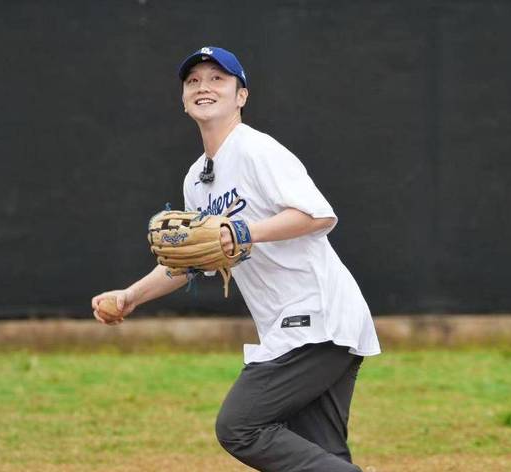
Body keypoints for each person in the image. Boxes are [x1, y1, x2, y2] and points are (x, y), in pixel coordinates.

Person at [91, 46, 380, 472]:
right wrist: (132, 296)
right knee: (322, 455)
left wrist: (245, 231)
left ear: (241, 96)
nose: (203, 87)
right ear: (183, 99)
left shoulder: (257, 150)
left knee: (240, 427)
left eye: (217, 79)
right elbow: (193, 259)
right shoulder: (197, 179)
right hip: (299, 323)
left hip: (317, 316)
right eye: (193, 81)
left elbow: (316, 214)